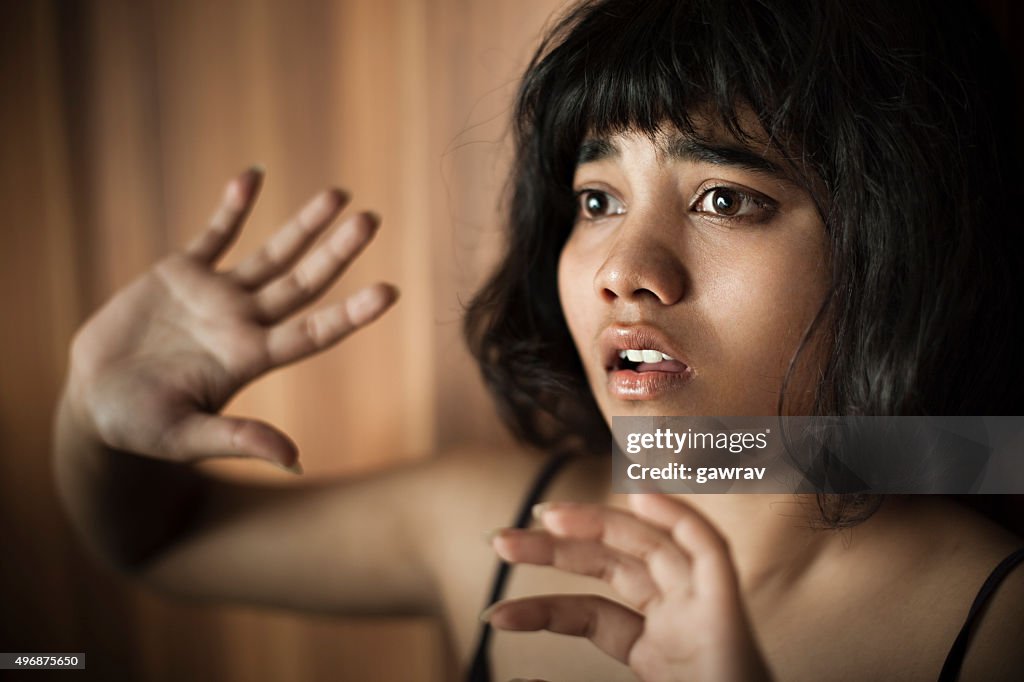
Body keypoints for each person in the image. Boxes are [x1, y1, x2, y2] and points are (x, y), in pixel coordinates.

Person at [54, 0, 1024, 680]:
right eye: (596, 198)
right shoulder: (490, 524)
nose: (621, 266)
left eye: (724, 198)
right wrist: (94, 415)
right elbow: (159, 539)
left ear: (895, 244)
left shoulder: (997, 627)